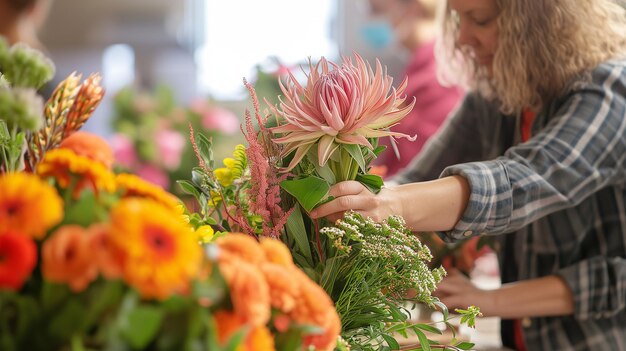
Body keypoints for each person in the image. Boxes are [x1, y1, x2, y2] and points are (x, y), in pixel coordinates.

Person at [310, 0, 626, 349]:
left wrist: (389, 205)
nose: (461, 38)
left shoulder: (611, 90)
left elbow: (523, 180)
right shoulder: (497, 97)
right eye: (459, 20)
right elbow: (417, 179)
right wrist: (355, 205)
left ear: (543, 22)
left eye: (479, 20)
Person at [362, 0, 462, 178]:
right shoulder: (422, 68)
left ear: (413, 8)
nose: (370, 19)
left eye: (377, 10)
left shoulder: (439, 76)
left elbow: (423, 169)